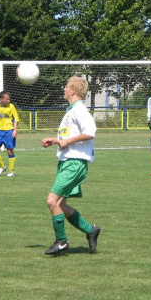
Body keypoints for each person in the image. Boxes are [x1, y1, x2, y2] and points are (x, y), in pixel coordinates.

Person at [41, 76, 101, 255]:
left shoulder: (80, 110)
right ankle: (91, 230)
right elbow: (70, 137)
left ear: (73, 90)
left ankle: (61, 241)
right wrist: (56, 140)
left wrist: (66, 141)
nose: (64, 89)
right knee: (61, 205)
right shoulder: (71, 111)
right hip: (67, 162)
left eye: (66, 87)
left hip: (75, 163)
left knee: (51, 201)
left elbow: (90, 133)